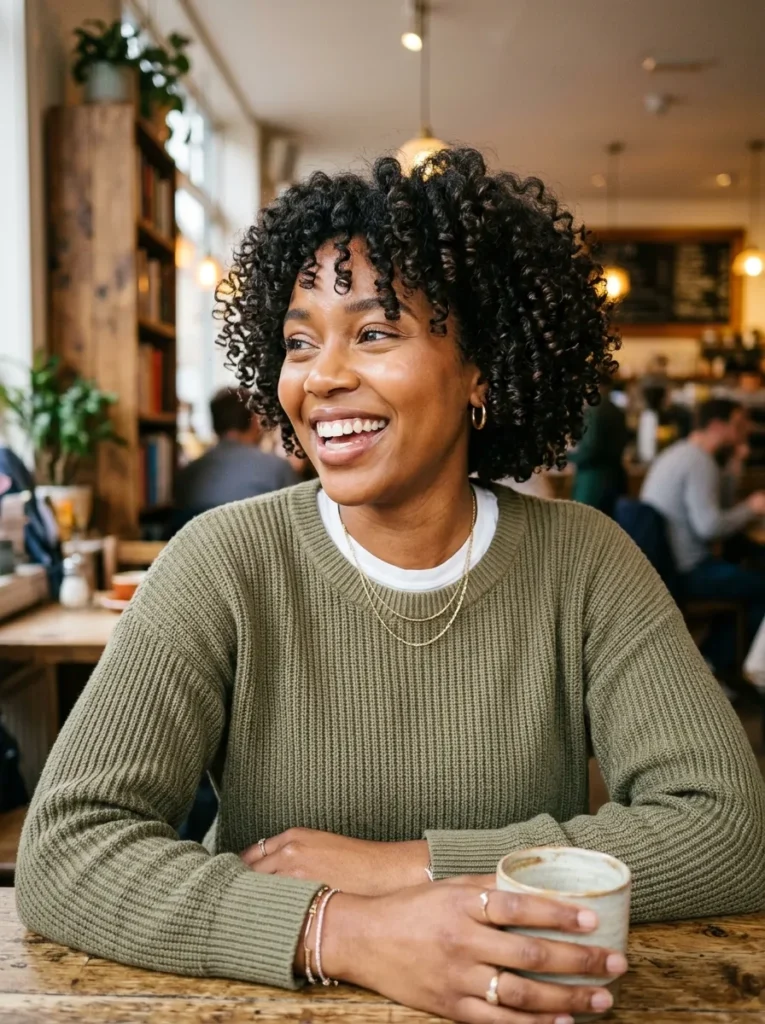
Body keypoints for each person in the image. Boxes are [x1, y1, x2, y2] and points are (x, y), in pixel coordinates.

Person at [17, 150, 765, 1024]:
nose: (321, 377)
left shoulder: (585, 562)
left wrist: (410, 866)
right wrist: (342, 931)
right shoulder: (221, 561)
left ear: (480, 370)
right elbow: (69, 847)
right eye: (300, 341)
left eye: (374, 332)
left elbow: (725, 830)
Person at [641, 398, 765, 673]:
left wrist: (735, 465)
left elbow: (717, 509)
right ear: (719, 426)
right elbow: (710, 527)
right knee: (760, 585)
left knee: (749, 572)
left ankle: (719, 659)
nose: (746, 432)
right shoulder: (700, 461)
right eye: (739, 425)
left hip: (666, 566)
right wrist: (752, 507)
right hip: (688, 570)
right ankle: (723, 666)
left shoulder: (681, 453)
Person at [173, 387, 298, 521]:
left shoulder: (186, 475)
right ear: (254, 421)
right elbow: (300, 517)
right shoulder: (278, 468)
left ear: (214, 423)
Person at [568, 376, 629, 516]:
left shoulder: (595, 409)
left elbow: (590, 450)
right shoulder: (616, 409)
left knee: (585, 527)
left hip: (593, 483)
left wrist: (565, 457)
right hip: (616, 479)